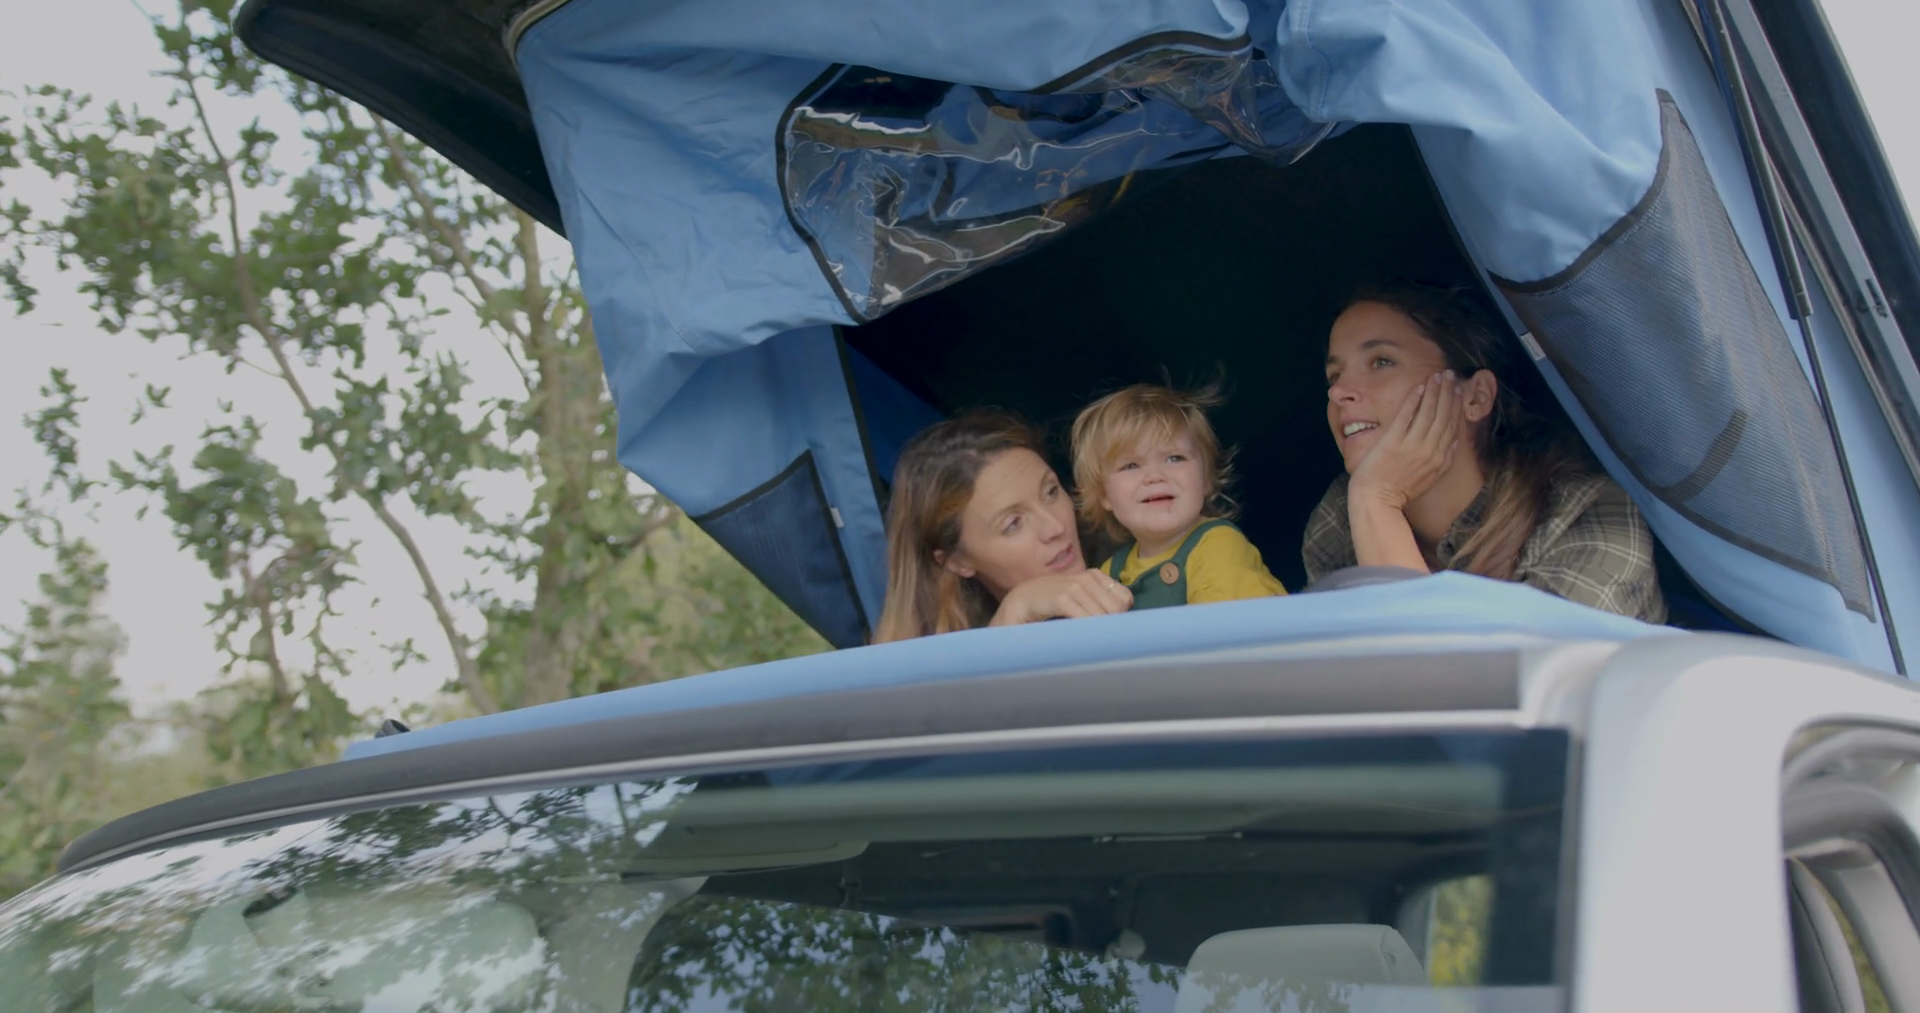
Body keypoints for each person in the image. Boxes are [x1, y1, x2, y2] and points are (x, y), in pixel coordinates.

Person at [1307, 281, 1666, 622]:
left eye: (1382, 362)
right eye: (1334, 376)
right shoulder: (1342, 516)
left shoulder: (1584, 512)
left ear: (1476, 397)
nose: (1338, 393)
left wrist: (1377, 501)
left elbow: (1452, 668)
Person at [873, 410, 1136, 642]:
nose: (1055, 527)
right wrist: (1011, 620)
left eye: (1051, 492)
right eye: (1013, 524)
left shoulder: (1135, 559)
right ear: (956, 561)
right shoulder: (939, 659)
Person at [1071, 384, 1286, 609]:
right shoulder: (1109, 573)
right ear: (1104, 494)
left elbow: (1222, 626)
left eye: (1175, 458)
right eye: (1131, 465)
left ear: (1206, 478)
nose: (1155, 476)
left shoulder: (1219, 545)